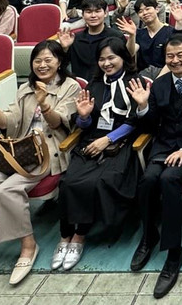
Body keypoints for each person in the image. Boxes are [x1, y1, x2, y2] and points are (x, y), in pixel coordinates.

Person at [0, 40, 79, 284]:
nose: (42, 65)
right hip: (19, 152)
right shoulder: (25, 88)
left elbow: (59, 122)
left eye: (48, 60)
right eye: (37, 60)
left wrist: (44, 103)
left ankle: (28, 245)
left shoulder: (70, 87)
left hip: (47, 153)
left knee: (7, 190)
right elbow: (8, 125)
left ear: (59, 62)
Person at [126, 34, 182, 298]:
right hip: (164, 146)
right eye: (170, 56)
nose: (175, 61)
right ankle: (149, 235)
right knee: (148, 180)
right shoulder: (160, 84)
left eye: (180, 55)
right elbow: (151, 124)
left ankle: (174, 253)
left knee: (169, 179)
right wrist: (143, 106)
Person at [53, 38, 143, 271]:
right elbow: (84, 123)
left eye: (112, 57)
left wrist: (108, 139)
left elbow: (136, 121)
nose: (107, 63)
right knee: (68, 182)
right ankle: (65, 235)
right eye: (102, 59)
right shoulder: (93, 84)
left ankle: (80, 236)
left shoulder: (135, 82)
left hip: (120, 143)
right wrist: (84, 116)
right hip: (92, 139)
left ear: (123, 58)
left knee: (98, 181)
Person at [57, 0, 124, 79]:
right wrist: (65, 49)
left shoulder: (116, 36)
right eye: (88, 12)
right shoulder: (75, 38)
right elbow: (63, 66)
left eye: (97, 11)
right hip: (81, 84)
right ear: (82, 15)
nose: (93, 16)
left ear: (105, 13)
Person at [117, 0, 175, 78]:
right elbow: (130, 53)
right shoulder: (140, 33)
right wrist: (132, 35)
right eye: (140, 11)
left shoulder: (171, 32)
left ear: (157, 9)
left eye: (147, 9)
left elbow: (173, 60)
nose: (144, 13)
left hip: (166, 73)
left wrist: (158, 81)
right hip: (143, 75)